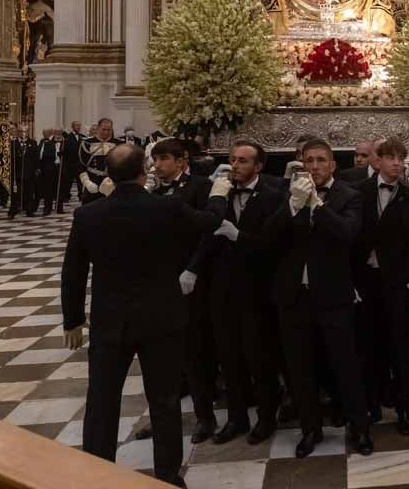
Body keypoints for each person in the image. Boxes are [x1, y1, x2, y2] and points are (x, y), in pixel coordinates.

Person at [60, 144, 233, 487]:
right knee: (164, 402)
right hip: (162, 319)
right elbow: (210, 222)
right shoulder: (166, 208)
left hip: (110, 320)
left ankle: (97, 473)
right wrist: (218, 191)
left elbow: (73, 271)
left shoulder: (88, 215)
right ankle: (167, 476)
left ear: (108, 175)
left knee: (101, 401)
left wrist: (73, 319)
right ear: (143, 171)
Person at [223, 137, 373, 457]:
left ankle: (359, 428)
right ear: (302, 164)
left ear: (333, 165)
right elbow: (267, 239)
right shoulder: (286, 195)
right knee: (299, 369)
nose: (315, 167)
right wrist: (294, 204)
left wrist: (317, 206)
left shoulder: (350, 196)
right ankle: (310, 429)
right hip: (293, 298)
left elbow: (347, 235)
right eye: (309, 161)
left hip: (334, 296)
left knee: (345, 365)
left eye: (321, 161)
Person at [135, 138, 218, 445]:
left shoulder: (199, 187)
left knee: (195, 354)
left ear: (182, 161)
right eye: (155, 159)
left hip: (190, 280)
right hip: (159, 283)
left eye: (164, 158)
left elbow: (208, 232)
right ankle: (161, 419)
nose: (157, 164)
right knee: (161, 357)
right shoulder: (152, 191)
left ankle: (204, 416)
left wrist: (193, 268)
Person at [207, 139, 286, 445]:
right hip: (223, 288)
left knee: (259, 356)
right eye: (233, 160)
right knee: (228, 358)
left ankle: (267, 416)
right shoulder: (219, 192)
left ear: (258, 166)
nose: (235, 166)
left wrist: (238, 236)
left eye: (242, 161)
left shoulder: (273, 196)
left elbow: (272, 244)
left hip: (257, 288)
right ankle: (236, 417)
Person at [354, 138, 409, 436]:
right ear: (377, 161)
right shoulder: (359, 192)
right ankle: (371, 404)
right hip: (366, 281)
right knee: (368, 345)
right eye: (391, 157)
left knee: (399, 345)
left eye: (401, 158)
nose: (398, 163)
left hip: (396, 280)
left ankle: (404, 409)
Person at [78, 118, 120, 205]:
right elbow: (81, 165)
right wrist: (87, 182)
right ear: (98, 128)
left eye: (109, 130)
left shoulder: (118, 143)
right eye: (103, 129)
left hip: (112, 182)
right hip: (93, 180)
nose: (106, 132)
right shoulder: (87, 143)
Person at [7, 124, 39, 220]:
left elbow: (36, 157)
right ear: (18, 132)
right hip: (17, 172)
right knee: (15, 193)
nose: (23, 133)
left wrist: (37, 168)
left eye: (25, 131)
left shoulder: (33, 143)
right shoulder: (13, 143)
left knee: (29, 192)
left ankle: (29, 210)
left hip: (29, 172)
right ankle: (13, 211)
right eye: (21, 131)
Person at [38, 129, 64, 215]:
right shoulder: (47, 142)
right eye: (57, 133)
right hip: (50, 169)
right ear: (53, 134)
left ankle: (59, 208)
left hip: (60, 169)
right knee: (48, 189)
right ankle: (47, 208)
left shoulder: (65, 142)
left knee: (60, 189)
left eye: (60, 133)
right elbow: (43, 155)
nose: (58, 134)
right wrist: (56, 155)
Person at [59, 121, 83, 207]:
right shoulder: (67, 137)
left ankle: (81, 196)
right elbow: (65, 150)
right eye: (77, 125)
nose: (78, 127)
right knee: (68, 181)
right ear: (72, 127)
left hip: (79, 163)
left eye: (79, 125)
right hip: (70, 163)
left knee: (80, 181)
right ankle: (66, 196)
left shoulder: (82, 137)